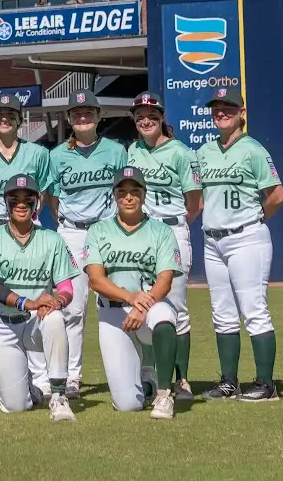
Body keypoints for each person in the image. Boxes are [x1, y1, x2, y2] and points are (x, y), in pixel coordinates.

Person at [197, 88, 283, 402]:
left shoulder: (253, 150)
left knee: (254, 311)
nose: (221, 112)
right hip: (213, 240)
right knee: (222, 314)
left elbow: (276, 196)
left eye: (228, 107)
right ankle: (229, 382)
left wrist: (255, 218)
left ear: (241, 112)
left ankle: (266, 384)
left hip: (246, 237)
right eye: (217, 108)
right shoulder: (205, 151)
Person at [0, 94, 54, 402]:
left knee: (36, 297)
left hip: (29, 227)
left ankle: (41, 379)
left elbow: (43, 192)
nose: (5, 118)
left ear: (20, 119)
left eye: (11, 114)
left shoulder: (38, 153)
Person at [0, 174, 79, 421]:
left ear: (36, 204)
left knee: (55, 319)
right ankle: (28, 387)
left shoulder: (51, 239)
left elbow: (66, 287)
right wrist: (30, 303)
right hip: (4, 325)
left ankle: (59, 396)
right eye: (15, 199)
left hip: (36, 323)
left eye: (27, 200)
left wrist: (57, 302)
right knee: (15, 406)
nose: (21, 205)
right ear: (6, 203)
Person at [47, 89, 128, 399]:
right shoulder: (57, 155)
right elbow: (53, 198)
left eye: (88, 112)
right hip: (73, 232)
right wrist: (69, 224)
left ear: (99, 115)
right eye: (77, 113)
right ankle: (71, 377)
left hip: (107, 232)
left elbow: (124, 192)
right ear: (69, 119)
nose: (83, 117)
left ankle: (123, 371)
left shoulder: (116, 151)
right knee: (73, 309)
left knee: (114, 303)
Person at [84, 166, 183, 419]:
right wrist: (130, 298)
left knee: (164, 320)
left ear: (144, 194)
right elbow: (95, 280)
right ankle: (146, 379)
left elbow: (165, 279)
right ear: (114, 196)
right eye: (122, 192)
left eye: (135, 191)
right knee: (128, 404)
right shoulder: (98, 231)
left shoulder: (161, 231)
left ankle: (163, 394)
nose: (128, 197)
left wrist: (141, 306)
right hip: (113, 313)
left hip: (151, 306)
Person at [126, 91, 202, 401]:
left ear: (162, 119)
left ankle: (181, 378)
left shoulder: (182, 153)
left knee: (177, 307)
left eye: (151, 115)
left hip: (171, 230)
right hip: (141, 233)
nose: (146, 120)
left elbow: (194, 202)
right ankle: (149, 375)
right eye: (140, 115)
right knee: (143, 303)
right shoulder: (132, 151)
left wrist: (177, 225)